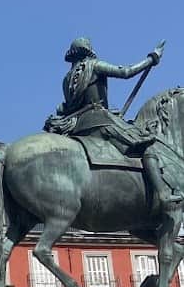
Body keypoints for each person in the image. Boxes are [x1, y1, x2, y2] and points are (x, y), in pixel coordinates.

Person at [44, 37, 182, 213]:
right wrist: (151, 59)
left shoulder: (67, 79)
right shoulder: (94, 65)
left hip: (79, 126)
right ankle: (163, 193)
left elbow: (70, 106)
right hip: (100, 121)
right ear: (89, 51)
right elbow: (125, 72)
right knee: (147, 144)